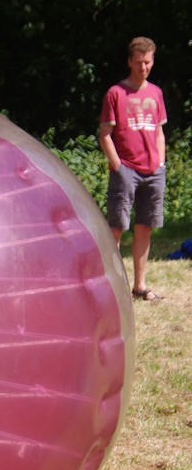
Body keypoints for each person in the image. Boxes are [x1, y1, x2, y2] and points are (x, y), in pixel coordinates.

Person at [99, 37, 167, 301]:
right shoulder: (115, 93)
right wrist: (118, 167)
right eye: (138, 62)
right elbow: (105, 135)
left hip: (153, 171)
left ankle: (140, 287)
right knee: (117, 227)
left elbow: (159, 131)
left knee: (145, 227)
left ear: (153, 61)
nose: (143, 67)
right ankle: (113, 289)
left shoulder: (156, 93)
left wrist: (160, 162)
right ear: (129, 61)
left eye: (147, 62)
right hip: (126, 169)